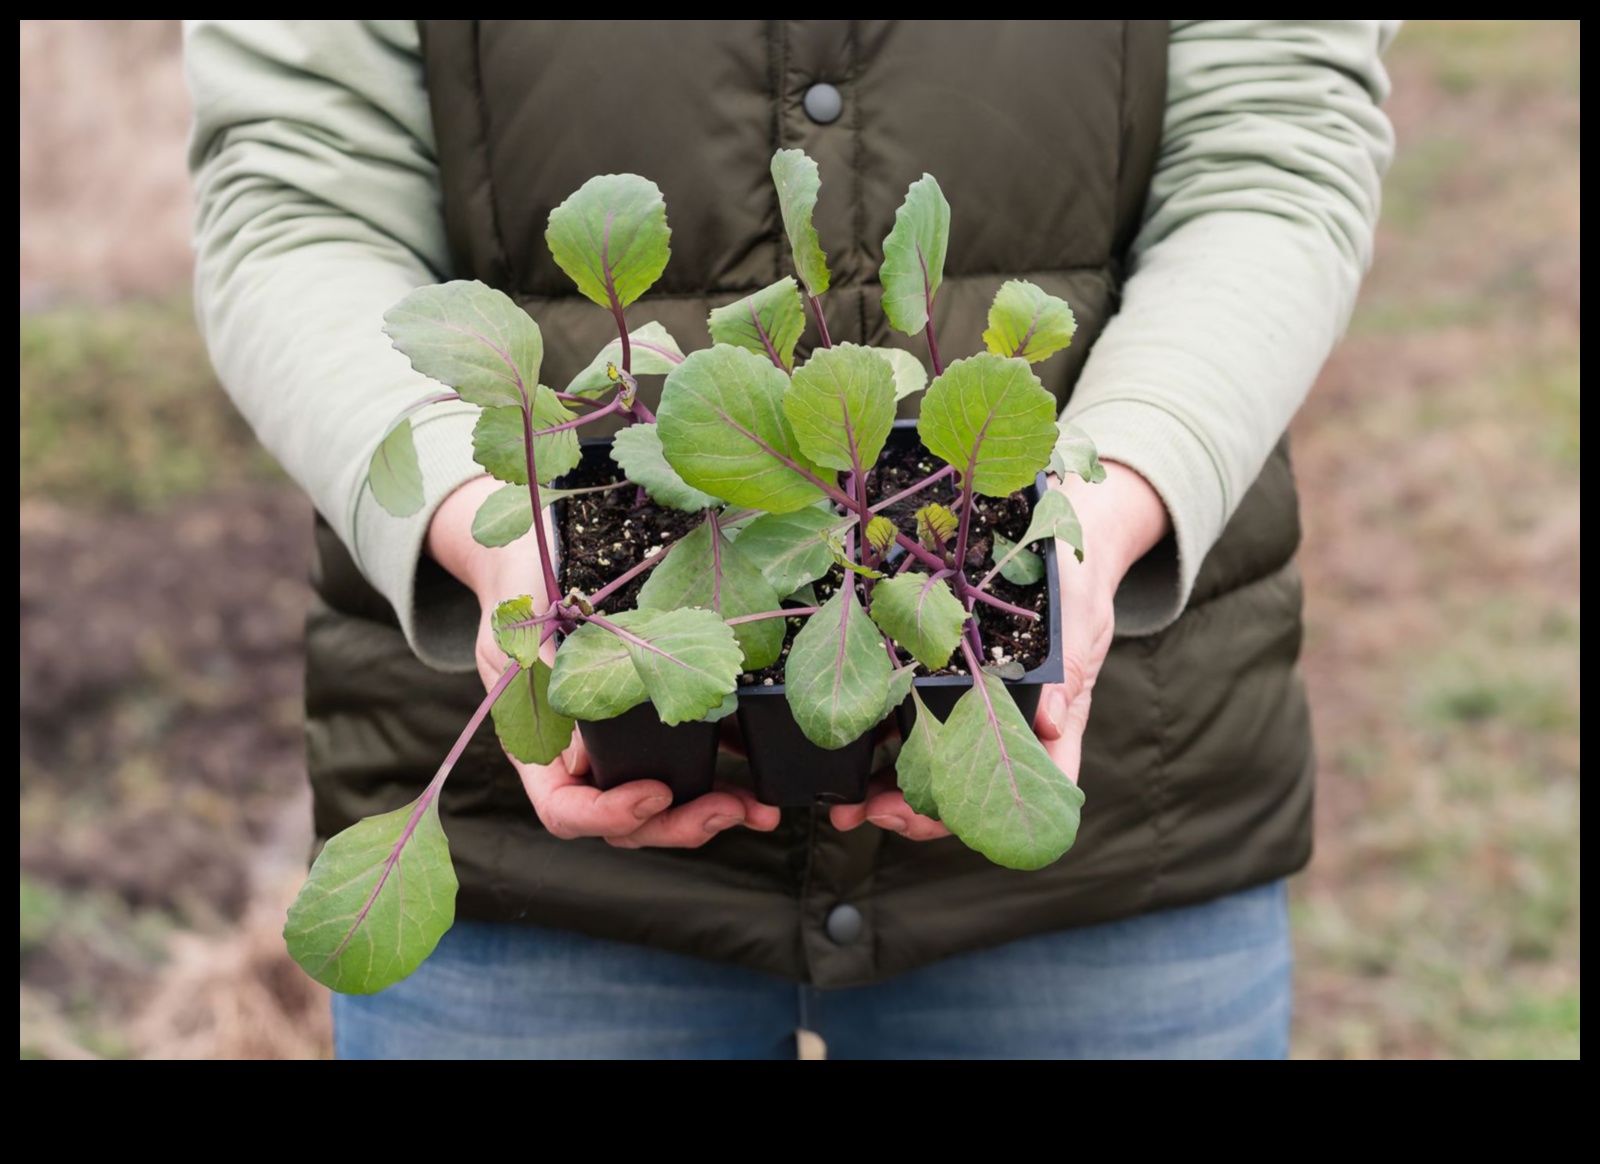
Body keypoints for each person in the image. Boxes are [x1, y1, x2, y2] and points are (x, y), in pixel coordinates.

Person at [185, 20, 1396, 1059]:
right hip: (528, 879)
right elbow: (295, 199)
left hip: (1127, 827)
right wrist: (495, 541)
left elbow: (1276, 152)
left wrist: (1109, 504)